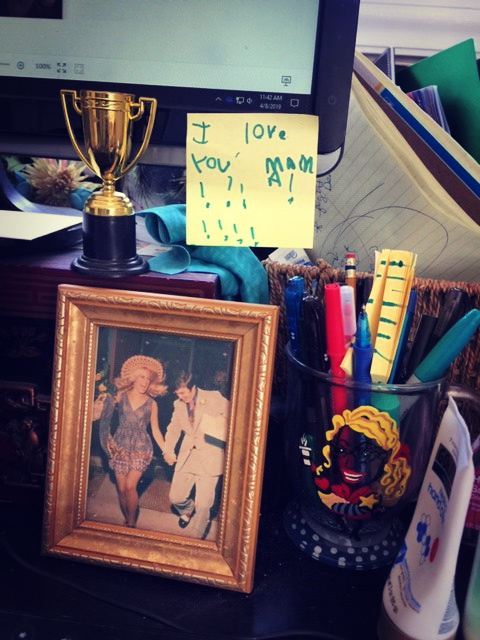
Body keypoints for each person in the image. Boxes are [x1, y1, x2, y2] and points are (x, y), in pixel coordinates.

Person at [96, 355, 167, 527]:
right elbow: (104, 415)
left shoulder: (152, 404)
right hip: (120, 445)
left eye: (148, 379)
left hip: (141, 447)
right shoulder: (120, 396)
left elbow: (156, 430)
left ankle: (132, 522)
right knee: (121, 489)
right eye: (142, 377)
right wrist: (101, 402)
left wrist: (167, 450)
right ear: (134, 378)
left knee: (130, 486)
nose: (145, 382)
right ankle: (127, 517)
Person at [163, 371, 230, 539]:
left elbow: (236, 415)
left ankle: (195, 539)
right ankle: (187, 509)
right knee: (175, 497)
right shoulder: (178, 405)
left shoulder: (214, 397)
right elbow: (173, 429)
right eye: (177, 394)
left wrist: (223, 426)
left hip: (210, 457)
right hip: (187, 457)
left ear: (193, 388)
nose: (180, 397)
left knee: (204, 505)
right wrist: (168, 450)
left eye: (183, 393)